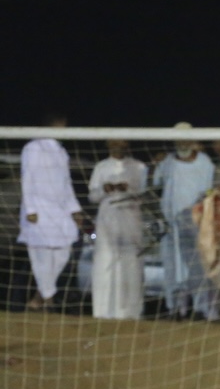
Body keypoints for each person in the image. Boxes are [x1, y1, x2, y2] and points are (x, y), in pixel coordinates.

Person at [18, 115, 83, 312]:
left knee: (64, 250)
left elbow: (66, 182)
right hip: (39, 208)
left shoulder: (61, 151)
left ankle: (42, 295)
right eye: (61, 125)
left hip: (60, 210)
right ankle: (46, 299)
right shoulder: (33, 147)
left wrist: (75, 209)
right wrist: (30, 209)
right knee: (41, 256)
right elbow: (27, 177)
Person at [153, 126, 218, 319]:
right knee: (173, 266)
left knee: (197, 266)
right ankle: (175, 308)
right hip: (170, 225)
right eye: (178, 139)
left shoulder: (204, 162)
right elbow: (155, 185)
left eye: (185, 139)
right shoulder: (166, 162)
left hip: (196, 223)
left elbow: (209, 192)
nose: (182, 143)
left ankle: (201, 309)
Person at [87, 139, 147, 320]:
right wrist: (104, 190)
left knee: (131, 263)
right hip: (107, 219)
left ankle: (131, 312)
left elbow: (144, 193)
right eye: (113, 143)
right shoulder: (101, 167)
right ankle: (103, 311)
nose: (117, 146)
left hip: (130, 217)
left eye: (121, 143)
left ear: (127, 144)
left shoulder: (139, 167)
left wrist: (128, 189)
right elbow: (92, 196)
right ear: (108, 145)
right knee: (105, 262)